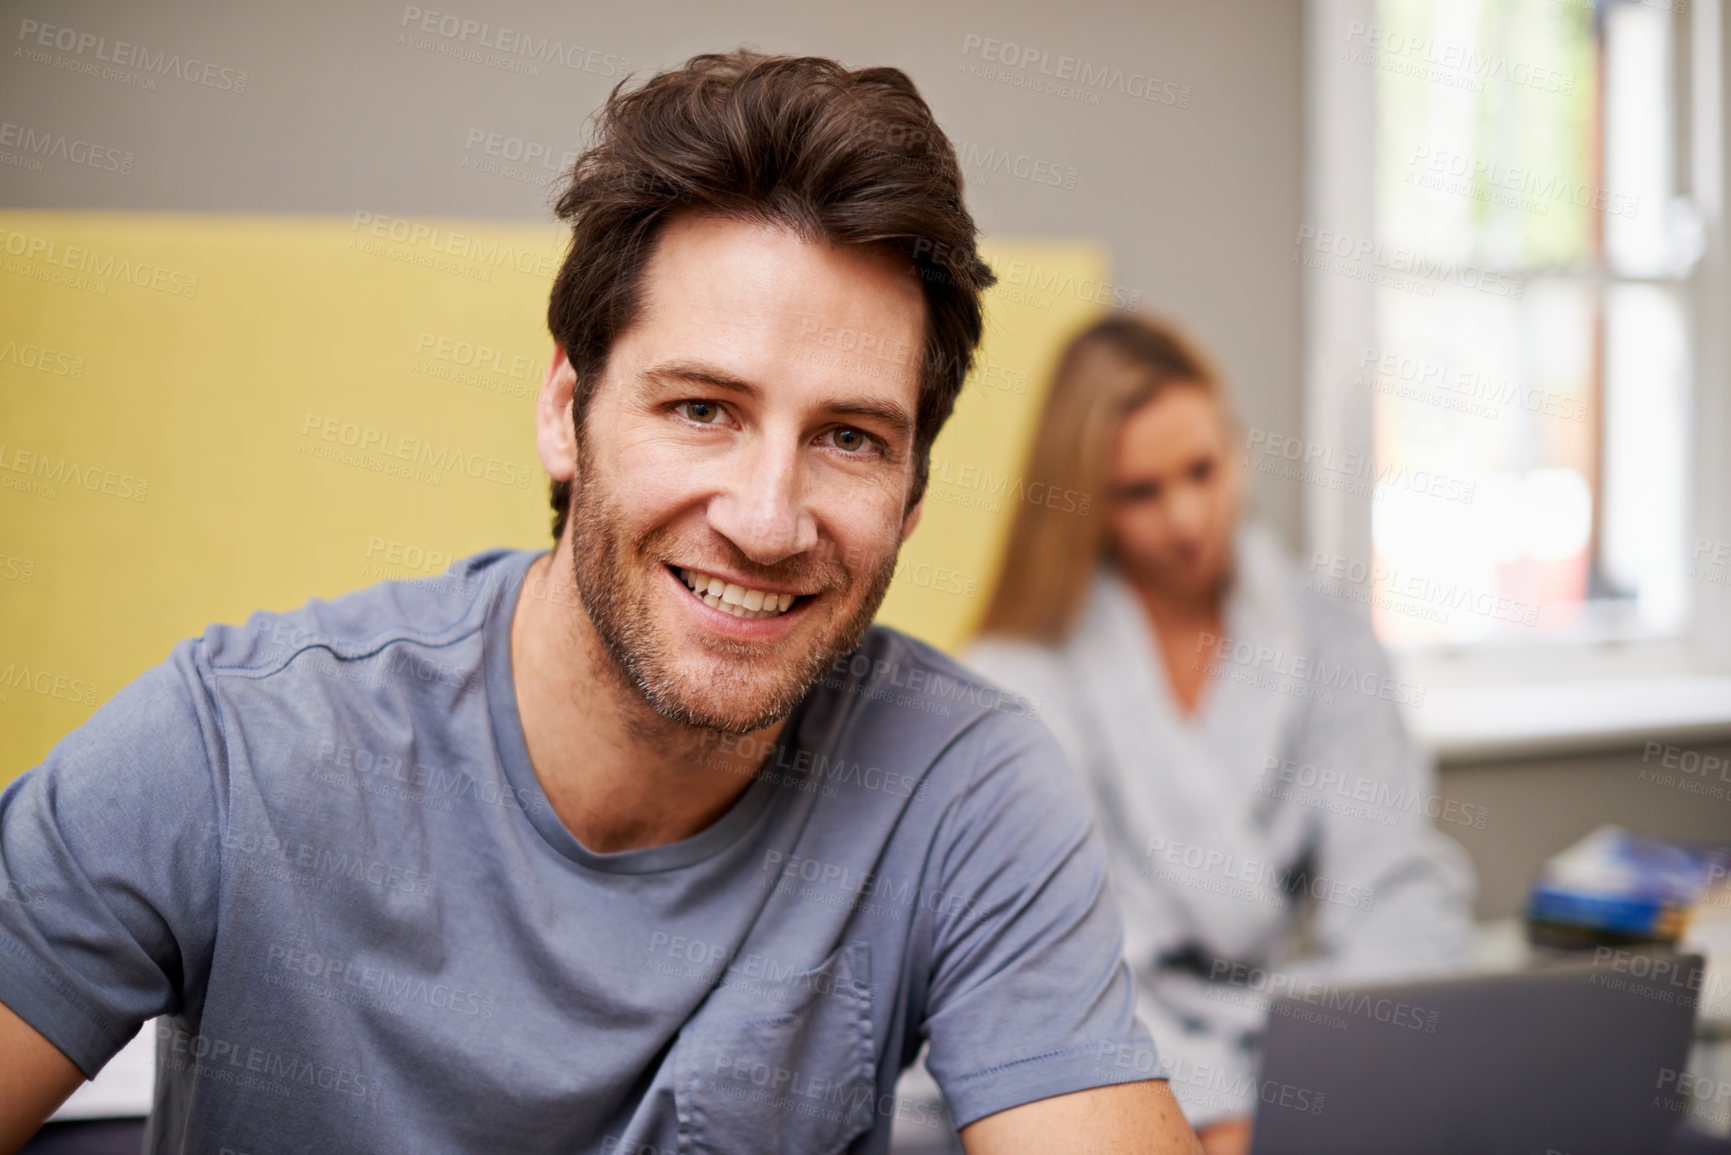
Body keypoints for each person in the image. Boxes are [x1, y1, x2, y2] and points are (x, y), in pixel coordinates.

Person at [0, 53, 1204, 1155]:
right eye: (701, 410)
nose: (768, 520)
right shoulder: (238, 747)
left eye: (849, 438)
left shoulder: (960, 790)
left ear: (912, 500)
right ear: (564, 412)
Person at [962, 314, 1476, 1154]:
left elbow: (1394, 883)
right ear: (1085, 500)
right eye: (1140, 491)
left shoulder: (1328, 642)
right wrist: (1212, 1108)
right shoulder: (1018, 680)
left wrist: (1359, 1062)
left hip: (1306, 1049)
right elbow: (1055, 961)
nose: (1187, 517)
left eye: (1203, 470)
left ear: (1235, 450)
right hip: (1099, 1063)